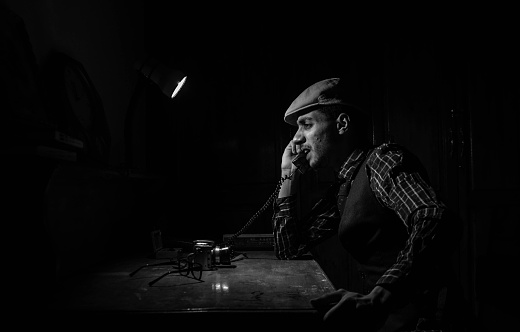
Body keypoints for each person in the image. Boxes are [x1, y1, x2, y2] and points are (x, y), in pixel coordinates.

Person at [271, 78, 463, 331]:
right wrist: (288, 173)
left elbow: (435, 217)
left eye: (306, 125)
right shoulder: (345, 185)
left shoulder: (383, 161)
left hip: (426, 320)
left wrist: (381, 295)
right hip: (390, 317)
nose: (296, 140)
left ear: (341, 124)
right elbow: (289, 249)